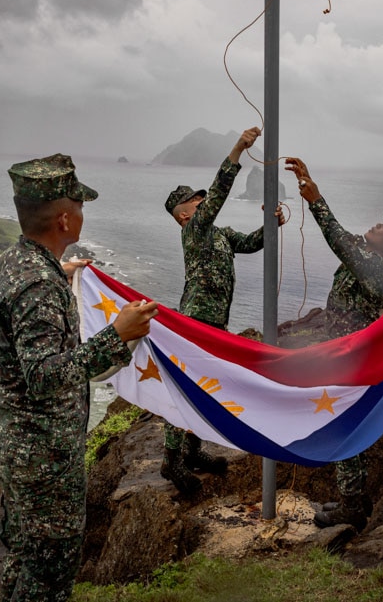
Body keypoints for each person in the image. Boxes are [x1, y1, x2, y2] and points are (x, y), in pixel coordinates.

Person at [0, 153, 159, 602]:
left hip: (18, 444)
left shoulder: (16, 260)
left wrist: (60, 277)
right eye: (79, 205)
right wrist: (115, 336)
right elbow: (43, 375)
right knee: (47, 578)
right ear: (64, 219)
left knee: (24, 561)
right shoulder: (37, 283)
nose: (83, 212)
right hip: (42, 458)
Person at [285, 156, 383, 530]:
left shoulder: (378, 267)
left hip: (352, 361)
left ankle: (352, 507)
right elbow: (346, 242)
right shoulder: (367, 258)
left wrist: (316, 199)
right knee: (342, 427)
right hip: (339, 356)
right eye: (382, 221)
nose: (378, 224)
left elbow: (339, 240)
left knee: (346, 429)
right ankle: (352, 500)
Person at [161, 127, 286, 494]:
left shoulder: (218, 233)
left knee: (204, 386)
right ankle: (172, 460)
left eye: (201, 201)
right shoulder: (194, 232)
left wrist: (271, 224)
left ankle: (193, 450)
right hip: (196, 318)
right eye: (196, 204)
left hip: (215, 319)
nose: (203, 205)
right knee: (187, 388)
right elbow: (218, 194)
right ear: (185, 216)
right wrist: (237, 149)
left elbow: (249, 244)